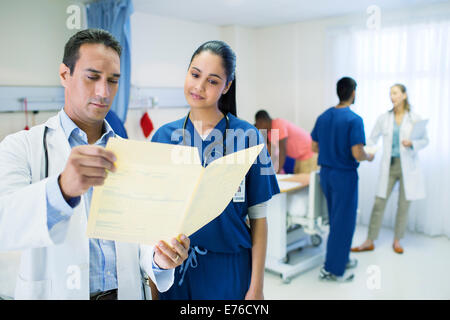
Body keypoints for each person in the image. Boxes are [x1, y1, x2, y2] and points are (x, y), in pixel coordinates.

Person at [0, 29, 189, 300]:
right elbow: (4, 224)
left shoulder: (129, 152)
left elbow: (140, 239)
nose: (104, 92)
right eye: (92, 77)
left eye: (113, 80)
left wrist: (159, 257)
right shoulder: (20, 147)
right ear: (65, 75)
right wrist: (61, 190)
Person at [151, 40, 280, 299]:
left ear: (227, 85)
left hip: (230, 269)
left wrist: (257, 287)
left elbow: (259, 218)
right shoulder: (162, 137)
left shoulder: (250, 137)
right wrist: (154, 284)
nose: (199, 86)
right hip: (176, 267)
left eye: (212, 81)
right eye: (195, 74)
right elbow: (154, 218)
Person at [351, 84, 429, 254]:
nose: (392, 97)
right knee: (379, 202)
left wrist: (413, 143)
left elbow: (425, 140)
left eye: (395, 93)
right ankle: (369, 240)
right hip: (390, 166)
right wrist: (366, 152)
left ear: (404, 95)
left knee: (403, 204)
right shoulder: (383, 118)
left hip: (408, 167)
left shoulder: (414, 118)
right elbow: (371, 140)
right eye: (390, 94)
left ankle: (397, 240)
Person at [311, 77, 374, 282]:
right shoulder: (354, 120)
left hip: (326, 175)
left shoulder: (323, 116)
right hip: (344, 176)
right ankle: (332, 270)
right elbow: (358, 153)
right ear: (353, 92)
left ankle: (342, 259)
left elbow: (314, 147)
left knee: (336, 220)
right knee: (343, 223)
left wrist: (331, 149)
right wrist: (369, 156)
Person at [254, 110, 318, 174]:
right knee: (298, 181)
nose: (259, 129)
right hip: (300, 157)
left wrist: (276, 172)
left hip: (309, 153)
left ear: (262, 122)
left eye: (258, 125)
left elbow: (282, 151)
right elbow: (272, 154)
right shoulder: (271, 132)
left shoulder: (278, 124)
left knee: (305, 182)